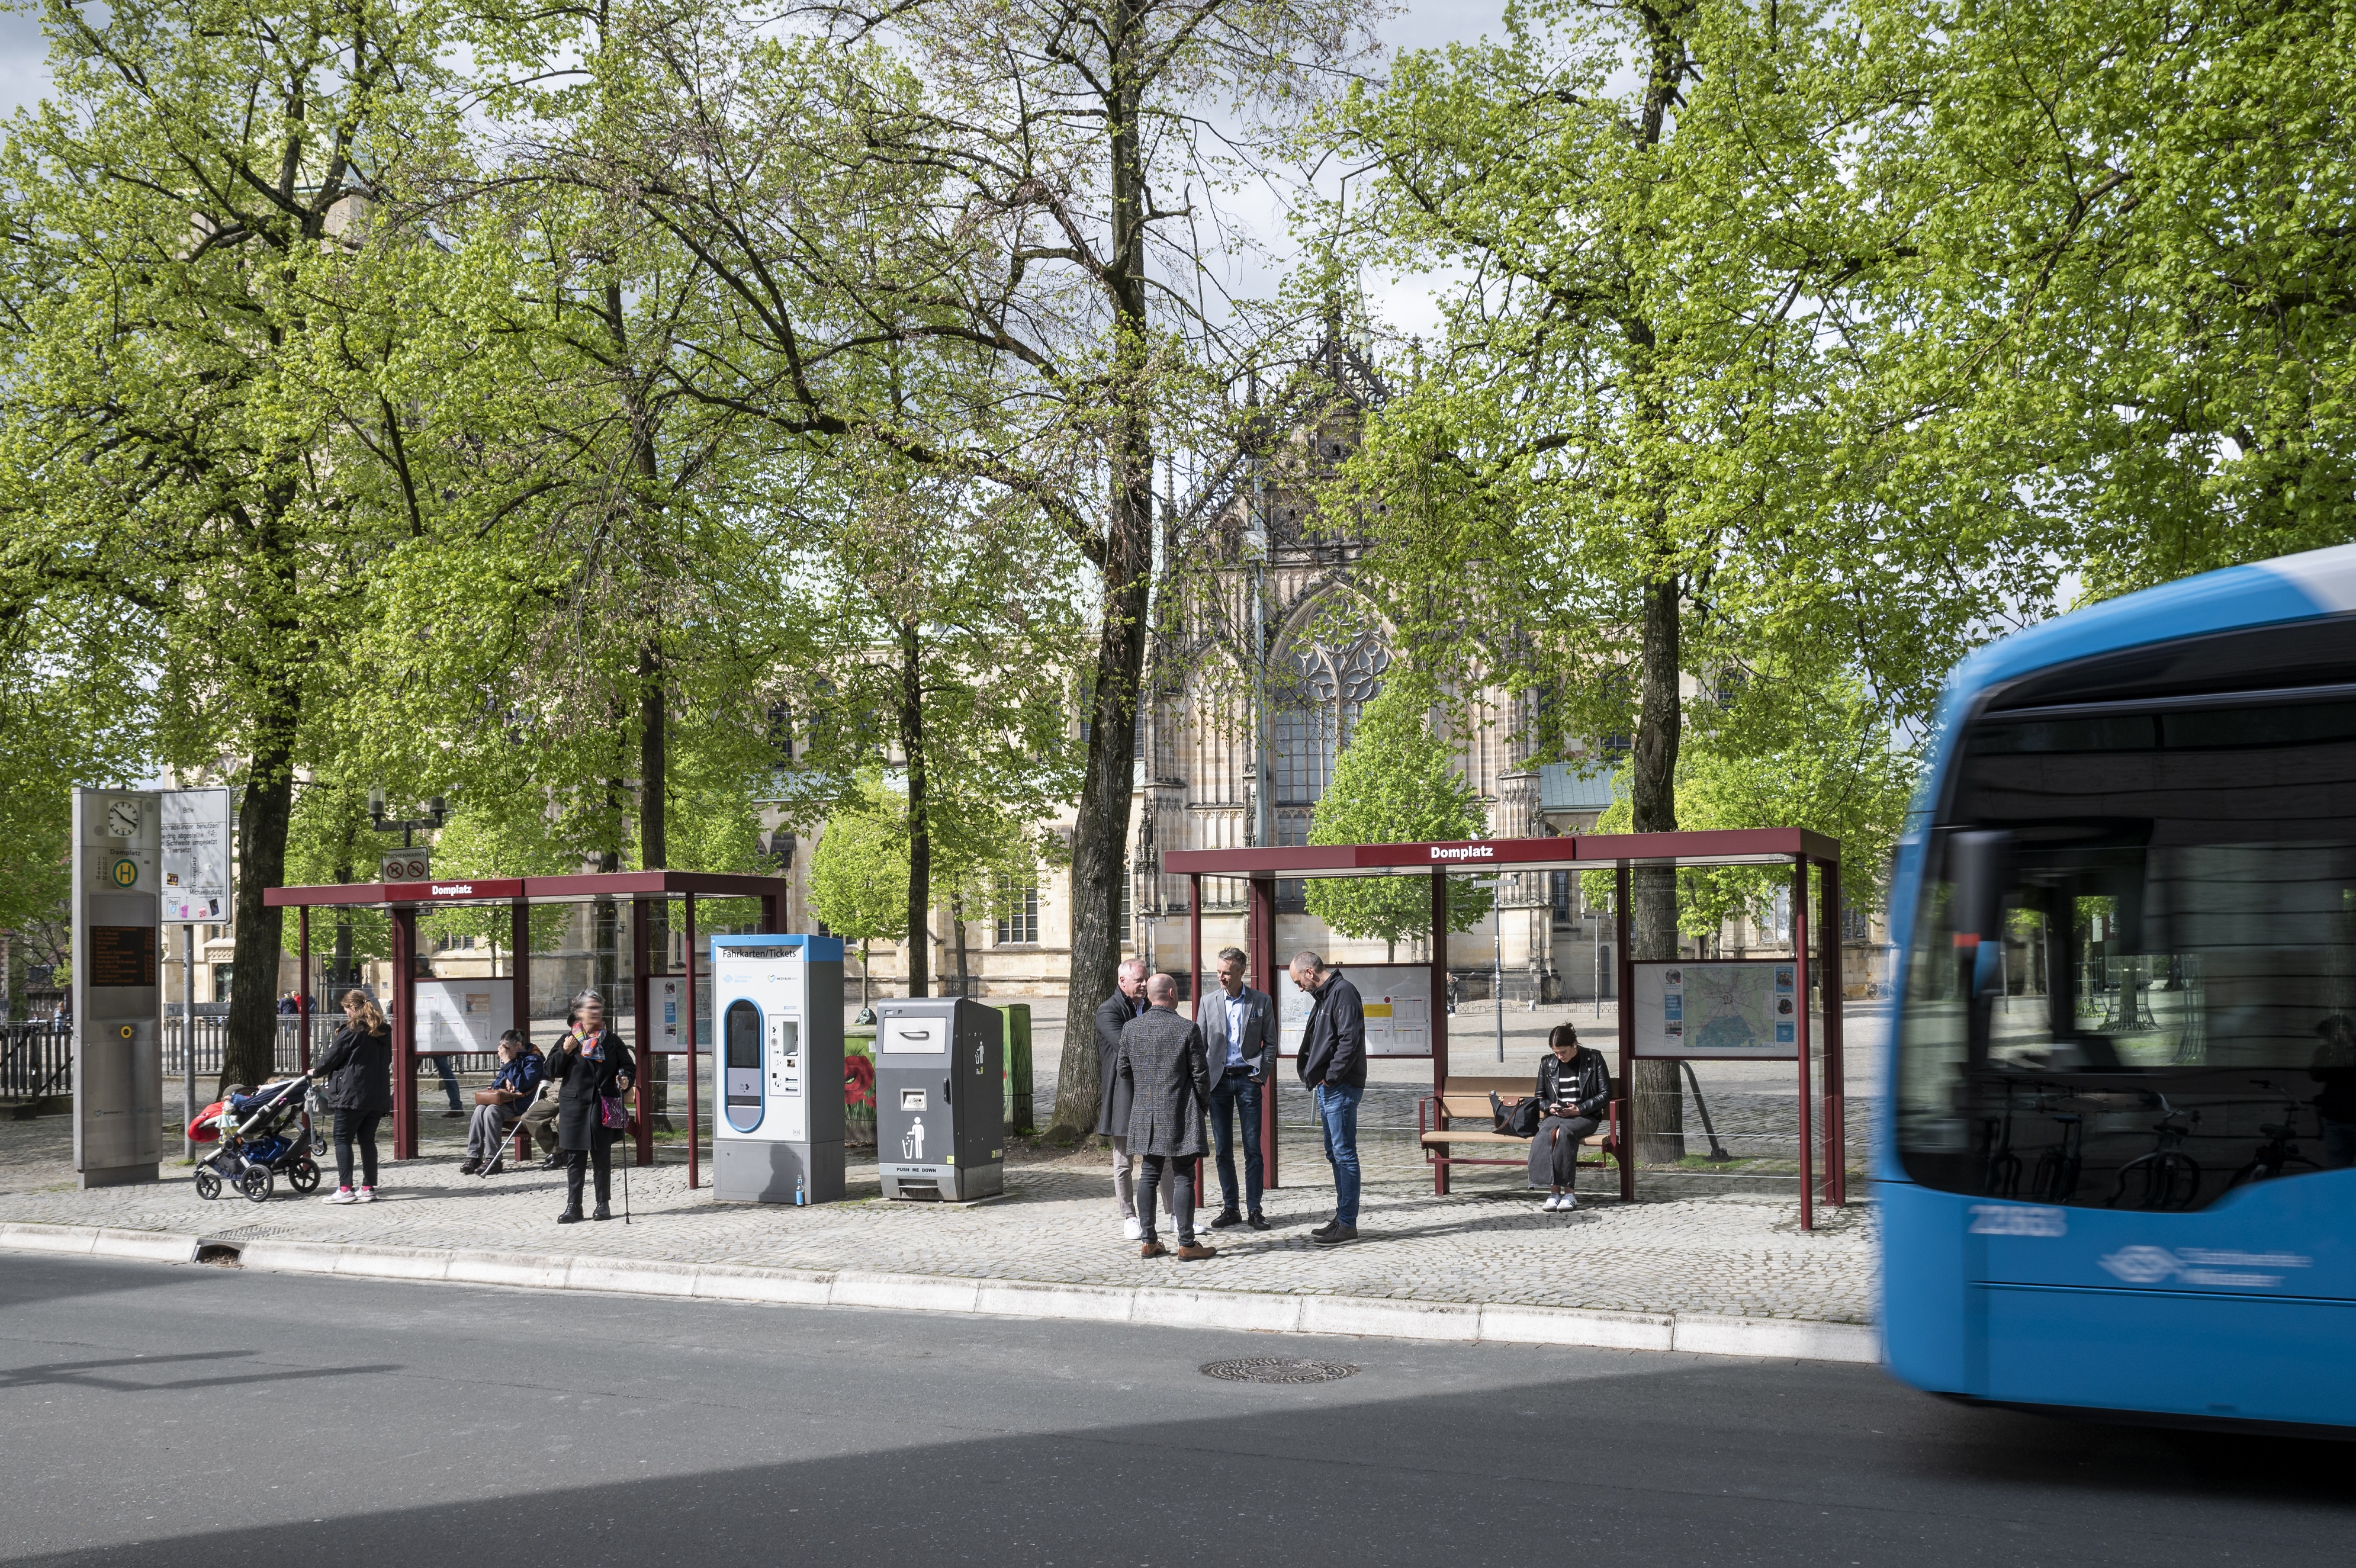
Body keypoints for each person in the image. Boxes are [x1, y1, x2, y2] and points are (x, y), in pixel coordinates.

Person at [1117, 973, 1216, 1259]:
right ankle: (1187, 1242)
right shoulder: (1187, 1029)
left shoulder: (1131, 1029)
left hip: (1145, 1113)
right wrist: (1202, 1107)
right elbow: (1201, 1075)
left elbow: (1124, 1070)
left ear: (1149, 996)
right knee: (1184, 1174)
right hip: (1180, 1111)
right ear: (1173, 994)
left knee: (1149, 1174)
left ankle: (1149, 1240)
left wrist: (1148, 1088)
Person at [1291, 950, 1365, 1245]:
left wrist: (1331, 1076)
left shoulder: (1343, 992)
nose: (1299, 988)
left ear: (1310, 973)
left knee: (1344, 1154)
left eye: (1299, 981)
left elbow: (1350, 1039)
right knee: (1335, 1153)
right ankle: (1342, 1218)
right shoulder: (1326, 996)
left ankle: (1347, 1223)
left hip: (1341, 1086)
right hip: (1329, 1087)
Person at [1196, 945, 1272, 1230]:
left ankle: (1255, 1209)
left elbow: (1271, 1044)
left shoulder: (1260, 1001)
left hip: (1247, 1081)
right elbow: (1199, 1046)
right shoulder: (1208, 1002)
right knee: (1223, 1148)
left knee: (1253, 1147)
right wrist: (1202, 1081)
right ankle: (1231, 1208)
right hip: (1218, 1082)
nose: (1221, 977)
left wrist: (1260, 1074)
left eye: (1227, 973)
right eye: (1218, 972)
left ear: (1242, 971)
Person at [1094, 957, 1171, 1239]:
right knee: (1124, 1161)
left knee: (1165, 1157)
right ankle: (1129, 1217)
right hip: (1124, 1095)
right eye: (1139, 979)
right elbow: (1127, 1046)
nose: (1144, 983)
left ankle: (1174, 1214)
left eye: (1146, 979)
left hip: (1154, 1094)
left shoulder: (1151, 1007)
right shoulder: (1108, 1012)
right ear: (1122, 982)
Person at [546, 989, 634, 1223]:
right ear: (579, 1012)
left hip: (601, 1105)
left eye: (598, 1008)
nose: (595, 1012)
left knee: (601, 1157)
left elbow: (627, 1067)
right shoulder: (569, 1040)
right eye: (590, 1008)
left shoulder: (613, 1041)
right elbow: (550, 1071)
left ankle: (602, 1203)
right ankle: (574, 1206)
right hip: (574, 1107)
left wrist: (625, 1078)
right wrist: (564, 1052)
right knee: (575, 1159)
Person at [311, 988, 393, 1204]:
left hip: (352, 1094)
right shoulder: (383, 1030)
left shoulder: (352, 1030)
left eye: (347, 1009)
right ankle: (368, 1188)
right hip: (377, 1094)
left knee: (342, 1138)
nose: (346, 1013)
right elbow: (387, 1061)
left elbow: (332, 1057)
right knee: (367, 1140)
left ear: (353, 1008)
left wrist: (316, 1071)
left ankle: (345, 1188)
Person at [1526, 1023, 1612, 1211]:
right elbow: (1539, 1097)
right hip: (1557, 1115)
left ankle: (1570, 1194)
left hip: (1585, 1116)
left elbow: (1606, 1093)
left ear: (1574, 1045)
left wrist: (1580, 1109)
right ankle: (1554, 1193)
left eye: (1563, 1052)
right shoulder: (1547, 1063)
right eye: (1556, 1052)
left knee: (1564, 1133)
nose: (1559, 1057)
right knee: (1545, 1135)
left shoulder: (1594, 1058)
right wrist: (1551, 1107)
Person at [461, 1030, 544, 1177]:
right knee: (480, 1109)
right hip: (508, 1101)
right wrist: (505, 1080)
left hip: (522, 1103)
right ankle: (474, 1157)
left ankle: (493, 1159)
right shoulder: (511, 1060)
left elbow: (523, 1084)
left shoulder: (533, 1060)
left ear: (518, 1045)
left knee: (492, 1111)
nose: (504, 1053)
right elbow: (496, 1084)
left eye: (507, 1049)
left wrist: (508, 1063)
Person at [2311, 1014, 2356, 1169]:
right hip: (2335, 1120)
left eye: (2341, 1030)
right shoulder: (2325, 1051)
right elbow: (2316, 1075)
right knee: (2338, 1169)